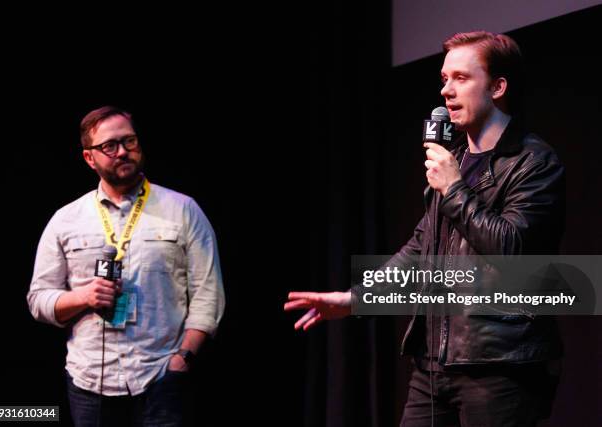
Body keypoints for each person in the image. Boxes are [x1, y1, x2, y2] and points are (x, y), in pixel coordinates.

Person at [285, 31, 565, 426]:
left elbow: (512, 250)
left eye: (461, 79)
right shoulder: (454, 161)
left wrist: (454, 189)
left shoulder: (532, 163)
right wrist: (353, 300)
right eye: (444, 79)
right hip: (434, 365)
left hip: (501, 367)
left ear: (498, 86)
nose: (446, 91)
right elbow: (420, 250)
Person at [27, 106, 225, 427]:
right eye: (109, 146)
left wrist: (183, 358)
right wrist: (83, 297)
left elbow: (208, 293)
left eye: (129, 141)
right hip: (89, 381)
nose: (122, 152)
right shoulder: (65, 220)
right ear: (89, 158)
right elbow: (39, 299)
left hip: (161, 377)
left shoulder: (183, 210)